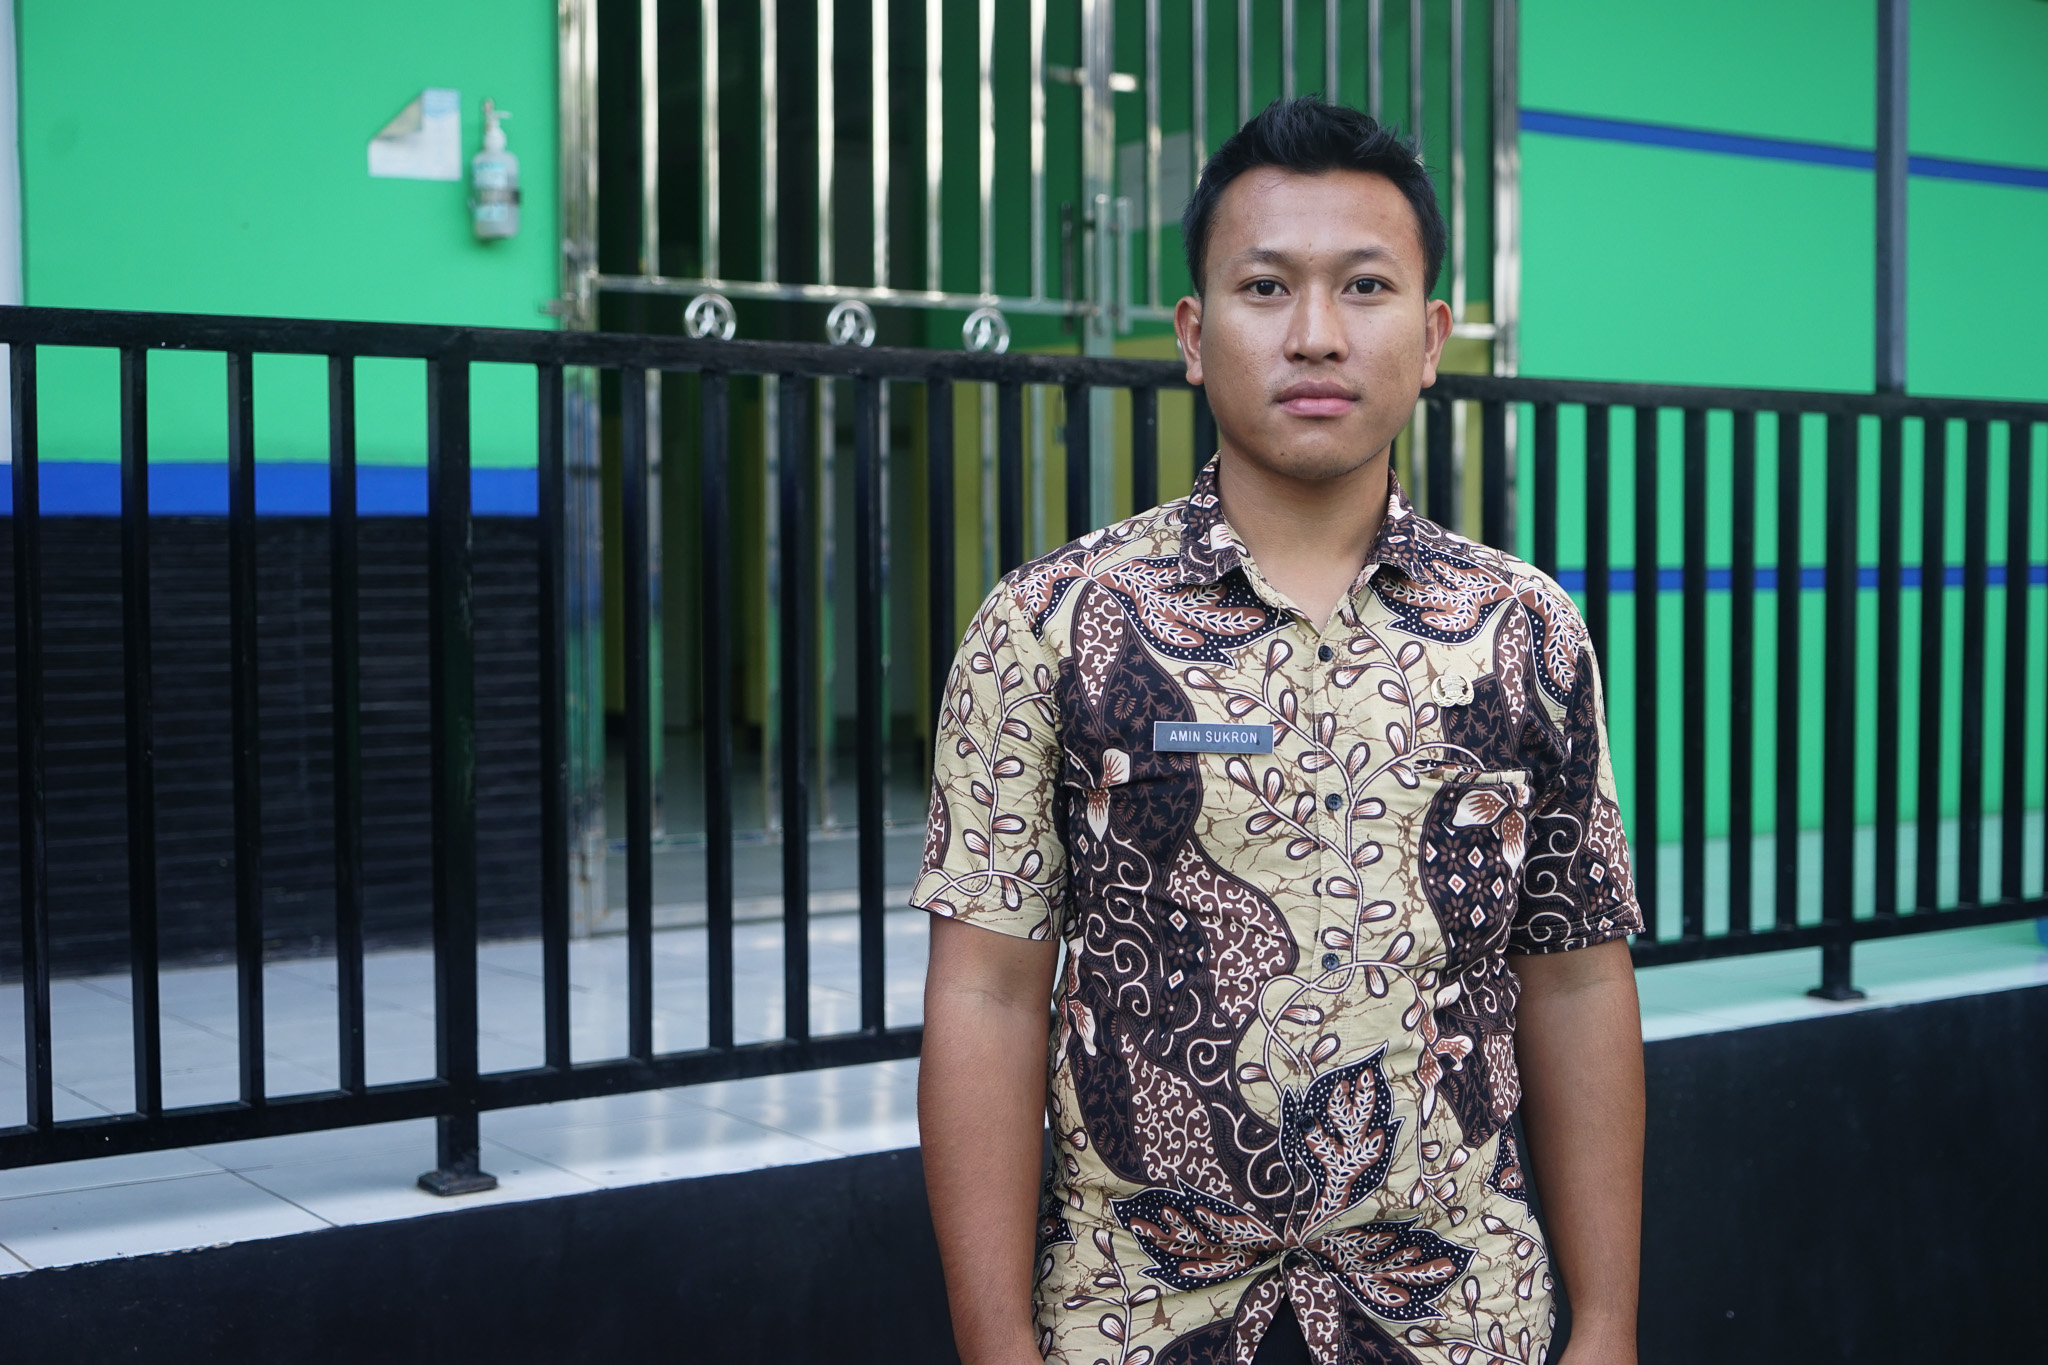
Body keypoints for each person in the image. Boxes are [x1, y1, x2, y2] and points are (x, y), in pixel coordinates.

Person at [915, 97, 1645, 1365]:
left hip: (1464, 1323)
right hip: (1140, 1324)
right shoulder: (1052, 626)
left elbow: (1576, 979)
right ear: (1194, 336)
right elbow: (984, 995)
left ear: (1429, 340)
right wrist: (993, 1350)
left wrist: (1610, 1326)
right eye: (1265, 287)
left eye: (1362, 287)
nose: (1313, 334)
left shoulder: (1523, 631)